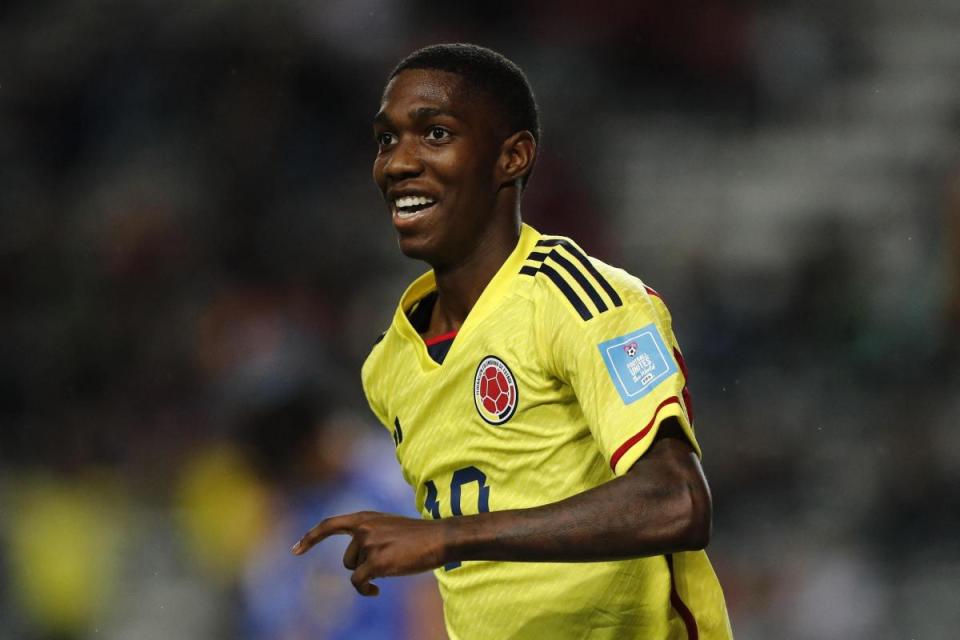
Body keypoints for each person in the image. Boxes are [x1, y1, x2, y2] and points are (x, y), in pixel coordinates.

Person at [292, 43, 732, 639]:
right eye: (386, 139)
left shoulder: (587, 302)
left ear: (513, 157)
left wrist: (443, 537)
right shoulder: (388, 364)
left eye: (436, 133)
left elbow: (678, 500)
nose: (398, 162)